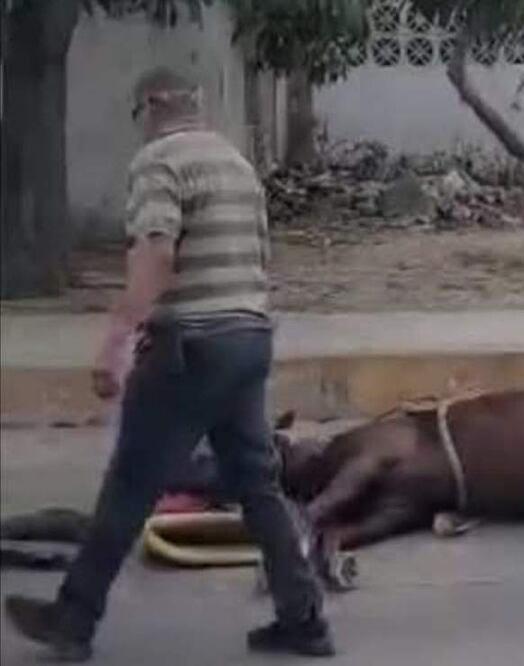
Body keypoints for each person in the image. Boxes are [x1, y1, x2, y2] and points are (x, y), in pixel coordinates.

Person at [3, 67, 335, 661]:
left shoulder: (158, 161)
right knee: (258, 485)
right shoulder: (237, 165)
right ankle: (303, 619)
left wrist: (117, 337)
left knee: (131, 482)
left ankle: (72, 622)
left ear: (153, 106)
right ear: (196, 104)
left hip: (190, 346)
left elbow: (156, 249)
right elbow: (260, 258)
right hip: (249, 337)